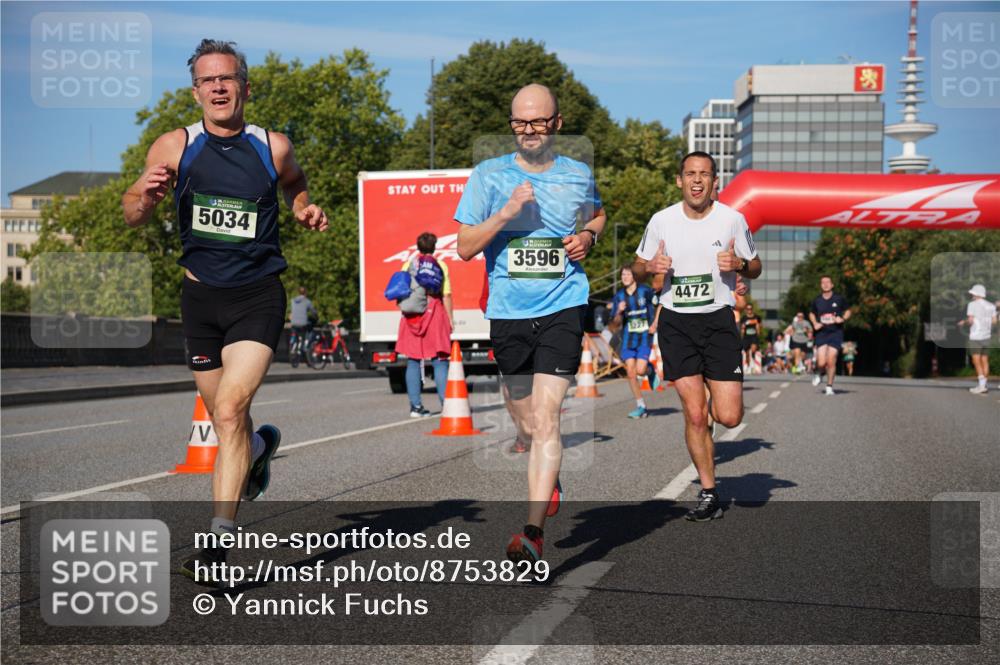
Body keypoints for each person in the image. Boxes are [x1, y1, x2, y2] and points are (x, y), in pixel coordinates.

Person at [122, 39, 328, 584]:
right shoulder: (173, 145)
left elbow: (296, 185)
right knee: (224, 419)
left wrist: (303, 209)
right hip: (200, 299)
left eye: (227, 78)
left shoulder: (272, 146)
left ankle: (217, 549)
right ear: (195, 92)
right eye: (207, 80)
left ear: (244, 86)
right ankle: (260, 447)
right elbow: (132, 215)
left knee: (231, 412)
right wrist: (144, 194)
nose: (218, 87)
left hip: (258, 294)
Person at [455, 83, 605, 562]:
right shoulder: (488, 175)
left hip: (563, 304)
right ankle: (545, 462)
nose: (528, 131)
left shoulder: (577, 175)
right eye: (520, 122)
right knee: (525, 420)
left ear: (557, 123)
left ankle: (531, 534)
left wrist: (587, 236)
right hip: (509, 312)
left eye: (538, 121)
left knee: (547, 420)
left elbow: (598, 214)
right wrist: (507, 213)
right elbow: (464, 247)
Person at [633, 151, 762, 522]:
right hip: (677, 323)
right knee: (694, 414)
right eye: (690, 173)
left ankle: (712, 404)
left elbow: (755, 265)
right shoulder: (662, 221)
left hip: (718, 322)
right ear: (679, 180)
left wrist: (738, 264)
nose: (697, 180)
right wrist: (650, 267)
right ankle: (709, 492)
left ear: (715, 182)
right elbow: (638, 267)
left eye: (704, 174)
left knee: (730, 416)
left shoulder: (733, 220)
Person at [396, 232, 453, 416]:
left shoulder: (408, 264)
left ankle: (415, 407)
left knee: (413, 360)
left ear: (418, 246)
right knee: (440, 360)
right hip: (434, 312)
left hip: (412, 315)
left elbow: (402, 289)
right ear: (434, 247)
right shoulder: (440, 265)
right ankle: (447, 405)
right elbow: (446, 294)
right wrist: (450, 319)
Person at [609, 265, 659, 418]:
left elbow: (660, 305)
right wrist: (619, 311)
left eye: (627, 274)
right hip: (628, 338)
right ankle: (641, 406)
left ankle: (649, 370)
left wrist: (655, 324)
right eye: (622, 275)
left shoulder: (645, 291)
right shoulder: (619, 297)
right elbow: (615, 324)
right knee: (631, 373)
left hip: (645, 335)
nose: (624, 277)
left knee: (640, 371)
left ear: (634, 276)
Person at [810, 276, 851, 395]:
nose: (825, 284)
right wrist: (815, 323)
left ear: (832, 285)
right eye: (823, 282)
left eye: (828, 282)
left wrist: (842, 318)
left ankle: (829, 386)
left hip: (835, 332)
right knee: (822, 362)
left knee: (831, 360)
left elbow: (848, 311)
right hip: (821, 333)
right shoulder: (817, 300)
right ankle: (819, 372)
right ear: (820, 285)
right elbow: (812, 313)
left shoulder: (839, 299)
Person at [958, 284, 997, 394]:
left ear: (977, 294)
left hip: (975, 336)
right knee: (985, 360)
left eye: (973, 293)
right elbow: (994, 321)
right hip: (987, 336)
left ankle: (981, 385)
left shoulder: (972, 304)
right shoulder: (991, 306)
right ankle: (983, 385)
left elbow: (970, 320)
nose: (971, 295)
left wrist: (963, 322)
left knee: (976, 360)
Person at [289, 286, 317, 363]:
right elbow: (313, 312)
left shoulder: (293, 300)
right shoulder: (307, 301)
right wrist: (316, 316)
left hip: (293, 323)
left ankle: (293, 345)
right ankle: (305, 345)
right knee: (309, 330)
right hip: (302, 324)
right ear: (305, 293)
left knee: (295, 333)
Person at [741, 304, 762, 371]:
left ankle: (753, 364)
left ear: (752, 309)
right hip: (746, 337)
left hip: (754, 336)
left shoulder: (756, 317)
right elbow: (742, 328)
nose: (749, 310)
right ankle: (748, 365)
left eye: (750, 309)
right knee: (747, 352)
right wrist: (742, 334)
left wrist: (758, 333)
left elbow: (759, 325)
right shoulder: (744, 318)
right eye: (747, 309)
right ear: (746, 310)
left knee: (753, 350)